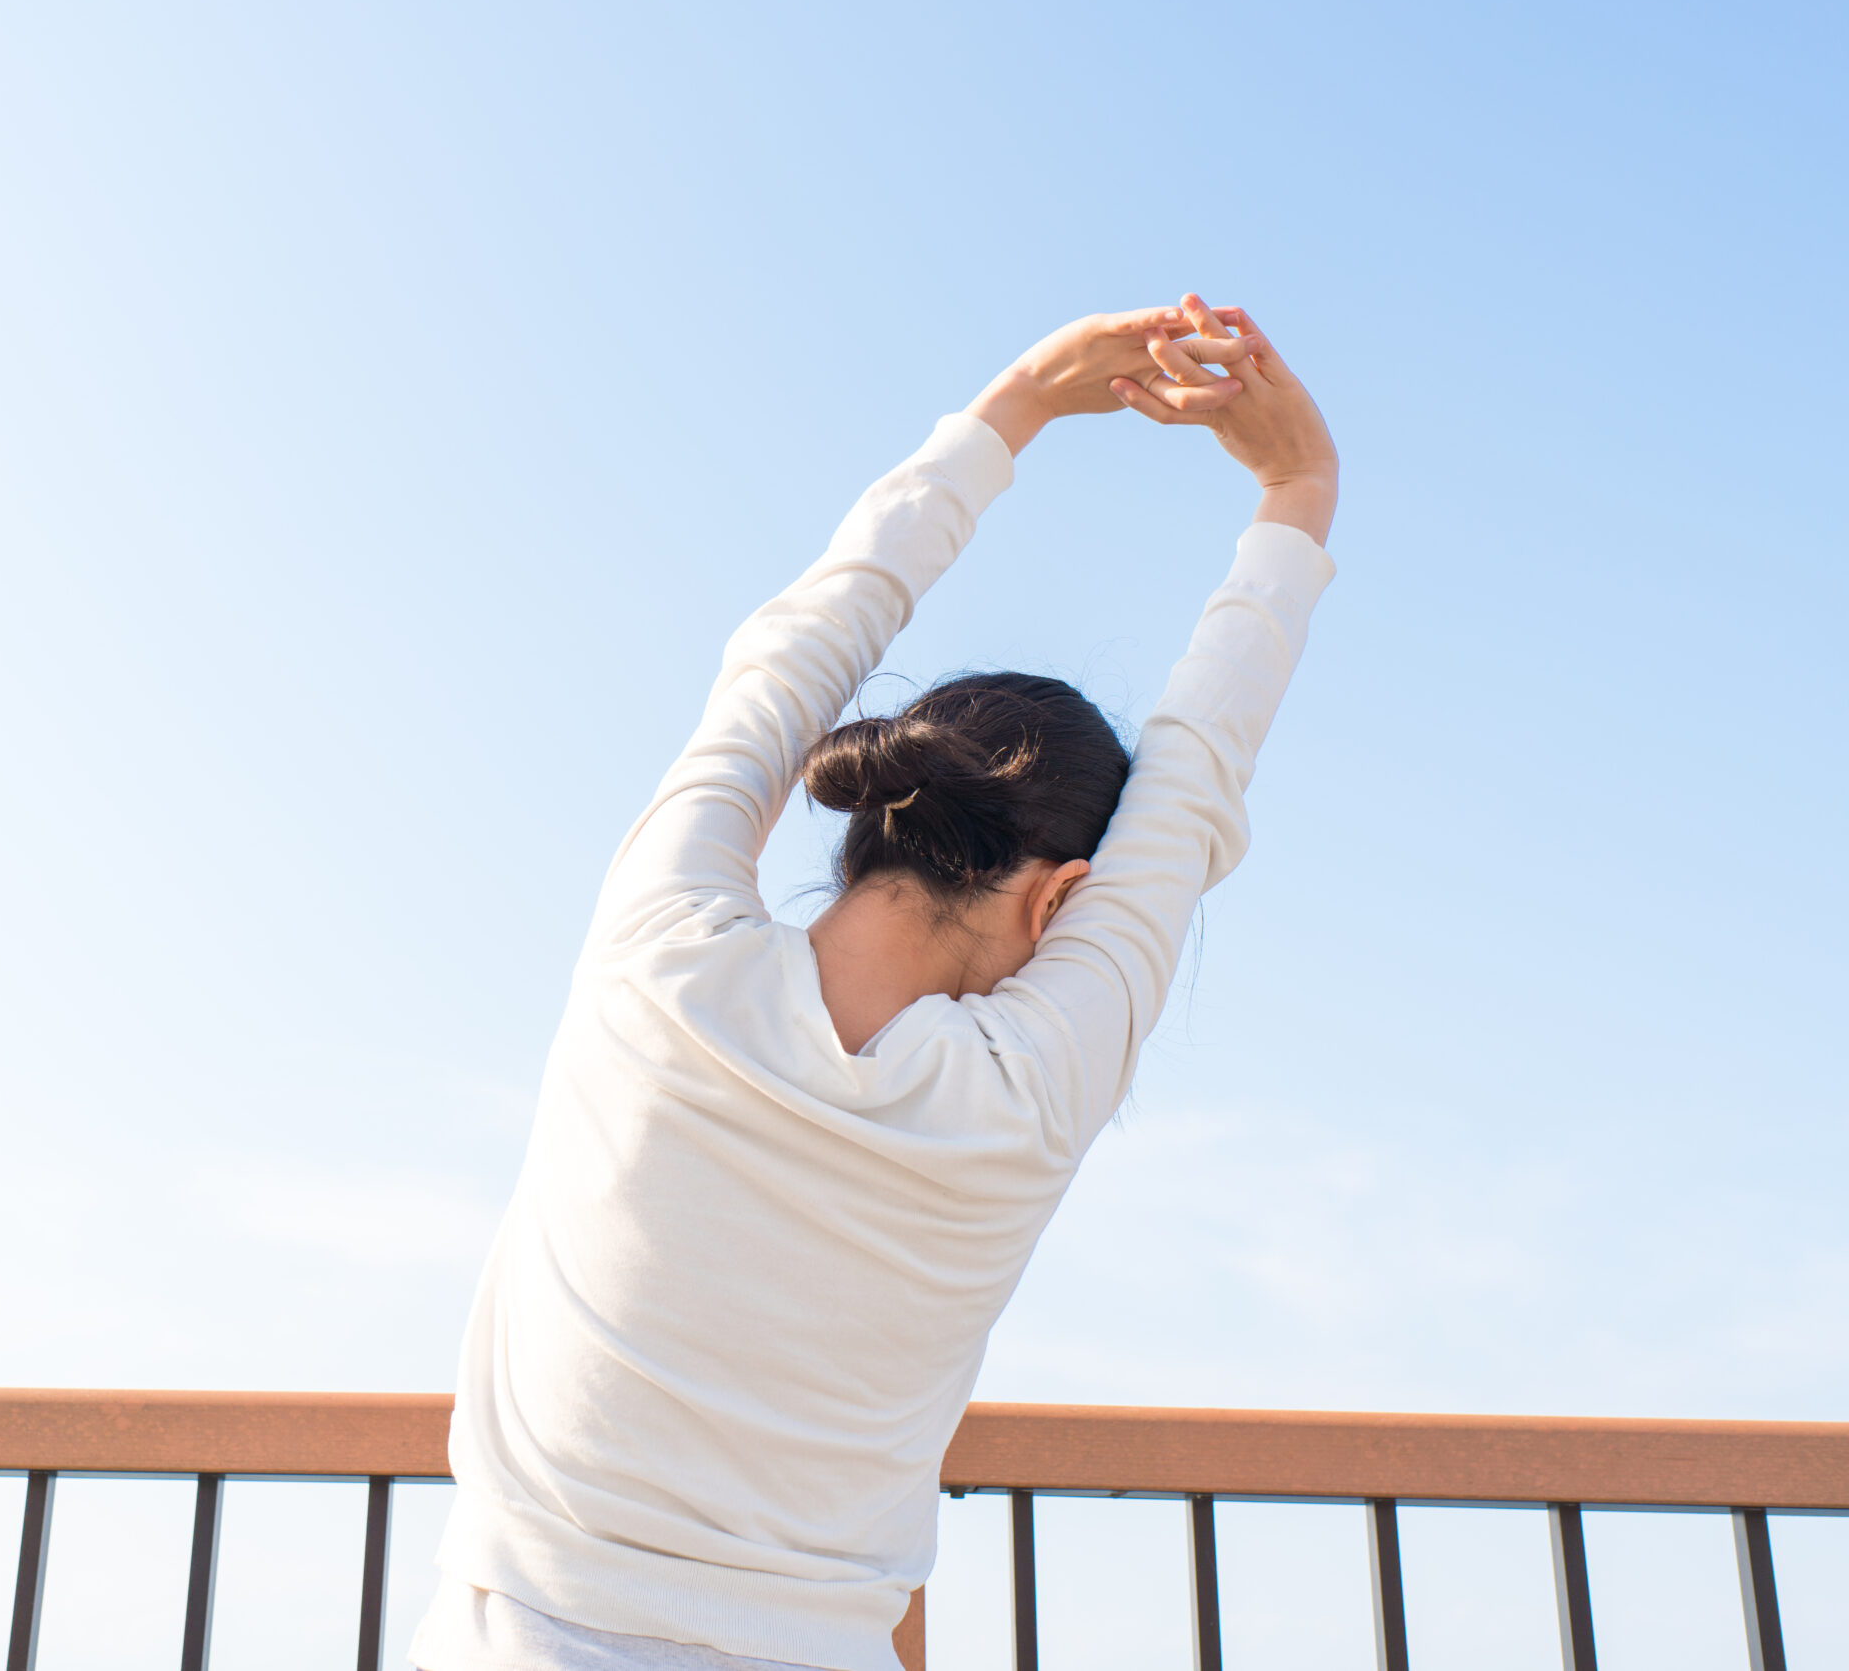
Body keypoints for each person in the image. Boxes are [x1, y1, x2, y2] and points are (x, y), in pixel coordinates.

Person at [411, 295, 1340, 1671]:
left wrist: (1015, 403)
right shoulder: (1024, 1098)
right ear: (1061, 896)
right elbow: (1194, 775)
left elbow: (792, 655)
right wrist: (1296, 486)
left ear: (867, 817)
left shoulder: (657, 959)